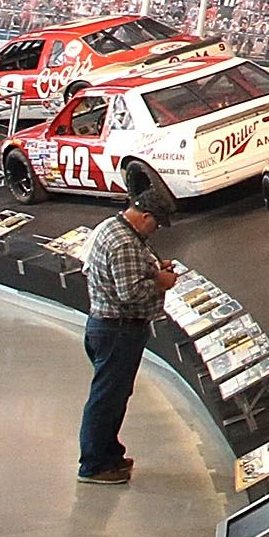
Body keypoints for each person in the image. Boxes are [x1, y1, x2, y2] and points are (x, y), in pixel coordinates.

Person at [76, 189, 176, 485]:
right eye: (156, 224)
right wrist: (162, 282)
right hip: (118, 331)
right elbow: (130, 292)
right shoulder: (124, 244)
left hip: (107, 328)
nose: (155, 230)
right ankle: (94, 465)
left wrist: (154, 270)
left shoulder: (110, 227)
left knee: (113, 395)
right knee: (107, 399)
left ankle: (108, 454)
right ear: (145, 216)